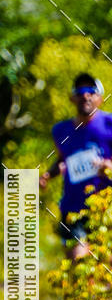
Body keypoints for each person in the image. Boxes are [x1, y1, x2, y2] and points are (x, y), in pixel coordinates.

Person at [40, 73, 112, 259]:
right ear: (72, 98)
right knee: (78, 263)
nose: (85, 96)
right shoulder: (61, 130)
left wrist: (108, 166)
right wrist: (47, 175)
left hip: (106, 207)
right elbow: (64, 159)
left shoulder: (109, 125)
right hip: (73, 209)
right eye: (80, 92)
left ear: (100, 98)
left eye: (91, 91)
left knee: (106, 267)